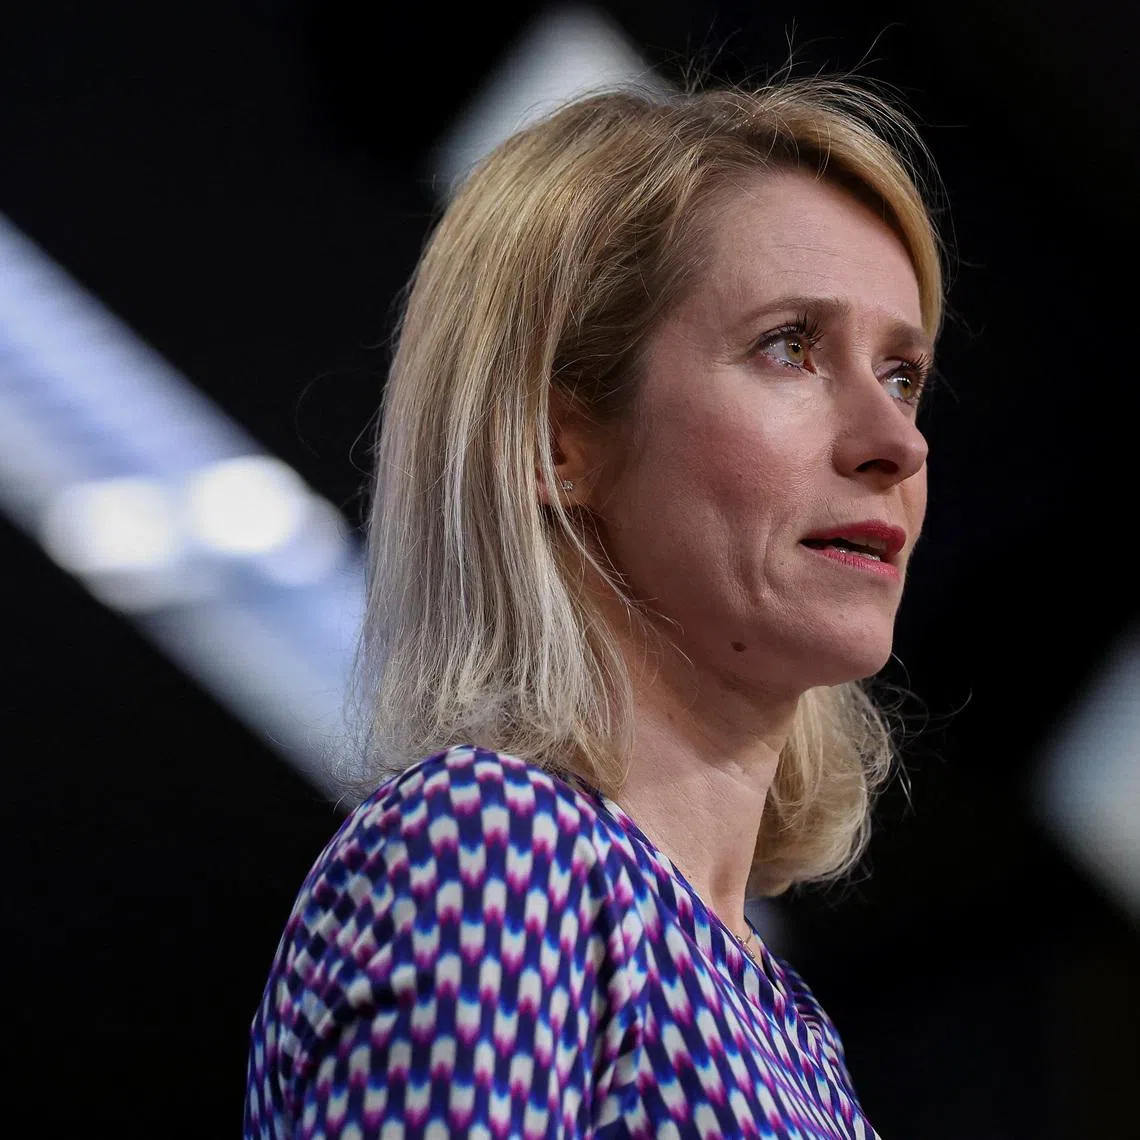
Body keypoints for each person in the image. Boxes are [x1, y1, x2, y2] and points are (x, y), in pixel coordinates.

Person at [244, 73, 944, 1139]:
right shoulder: (495, 849)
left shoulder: (792, 1031)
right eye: (790, 346)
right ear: (554, 441)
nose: (898, 443)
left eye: (901, 374)